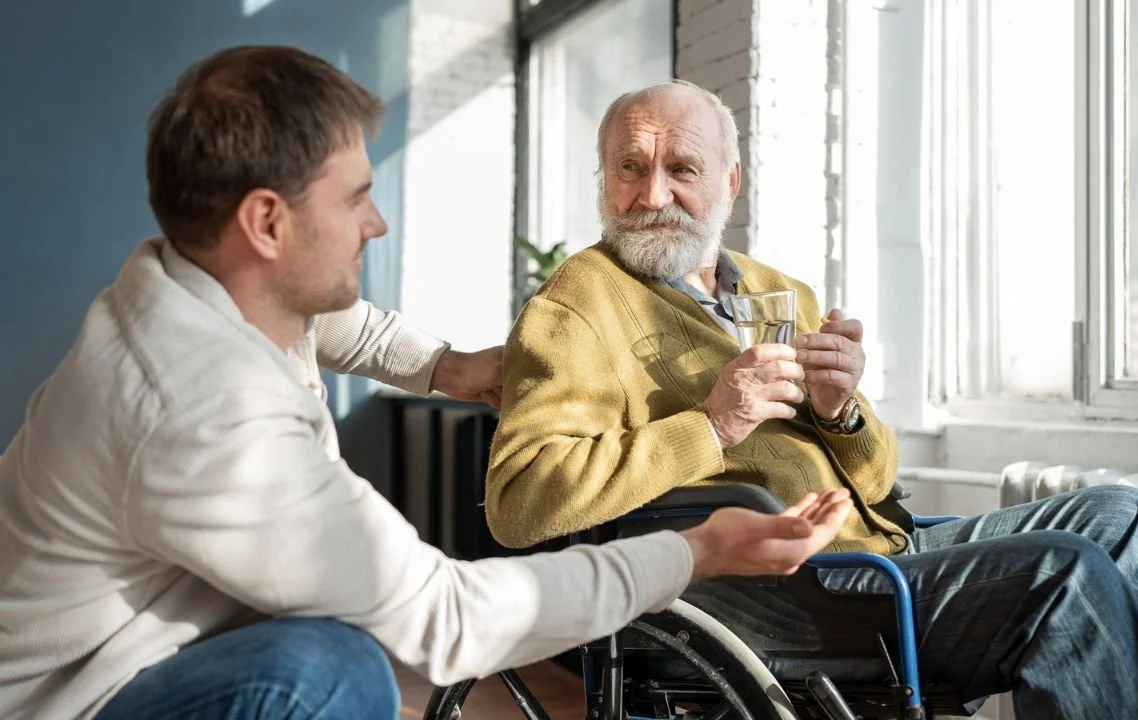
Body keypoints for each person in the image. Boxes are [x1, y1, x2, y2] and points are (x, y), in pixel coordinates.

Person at [0, 47, 857, 720]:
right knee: (330, 673)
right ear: (266, 222)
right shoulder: (207, 411)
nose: (376, 222)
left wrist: (452, 368)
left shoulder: (185, 285)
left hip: (114, 653)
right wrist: (698, 550)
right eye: (356, 199)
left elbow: (345, 325)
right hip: (73, 702)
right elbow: (448, 618)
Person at [484, 79, 1138, 719]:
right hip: (774, 595)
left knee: (1127, 516)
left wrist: (841, 410)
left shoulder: (777, 288)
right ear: (603, 178)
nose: (653, 194)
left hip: (873, 552)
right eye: (630, 168)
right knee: (1066, 572)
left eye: (682, 167)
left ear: (730, 182)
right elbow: (519, 504)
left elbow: (878, 488)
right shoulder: (577, 304)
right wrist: (714, 425)